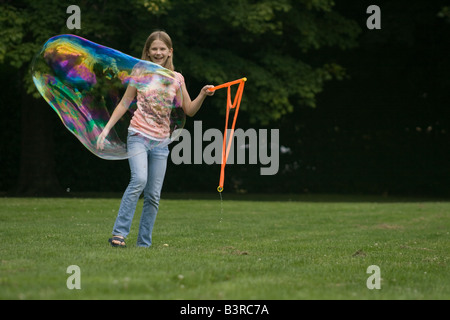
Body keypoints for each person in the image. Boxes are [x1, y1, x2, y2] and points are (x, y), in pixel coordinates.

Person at [97, 30, 214, 247]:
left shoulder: (176, 78)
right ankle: (119, 234)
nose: (158, 52)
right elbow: (124, 103)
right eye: (154, 49)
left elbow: (189, 110)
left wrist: (202, 95)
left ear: (170, 52)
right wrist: (106, 130)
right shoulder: (140, 71)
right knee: (139, 180)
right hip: (138, 135)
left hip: (161, 142)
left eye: (162, 49)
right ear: (148, 52)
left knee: (153, 195)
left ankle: (144, 244)